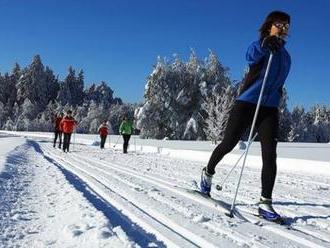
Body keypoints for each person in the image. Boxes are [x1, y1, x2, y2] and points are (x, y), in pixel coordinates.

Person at [200, 11, 291, 221]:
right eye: (280, 24)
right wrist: (265, 44)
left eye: (287, 25)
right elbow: (250, 57)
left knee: (270, 154)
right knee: (229, 143)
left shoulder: (286, 57)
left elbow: (279, 81)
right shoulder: (260, 45)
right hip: (247, 102)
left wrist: (276, 95)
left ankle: (265, 202)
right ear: (270, 25)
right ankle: (208, 172)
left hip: (269, 108)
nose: (284, 28)